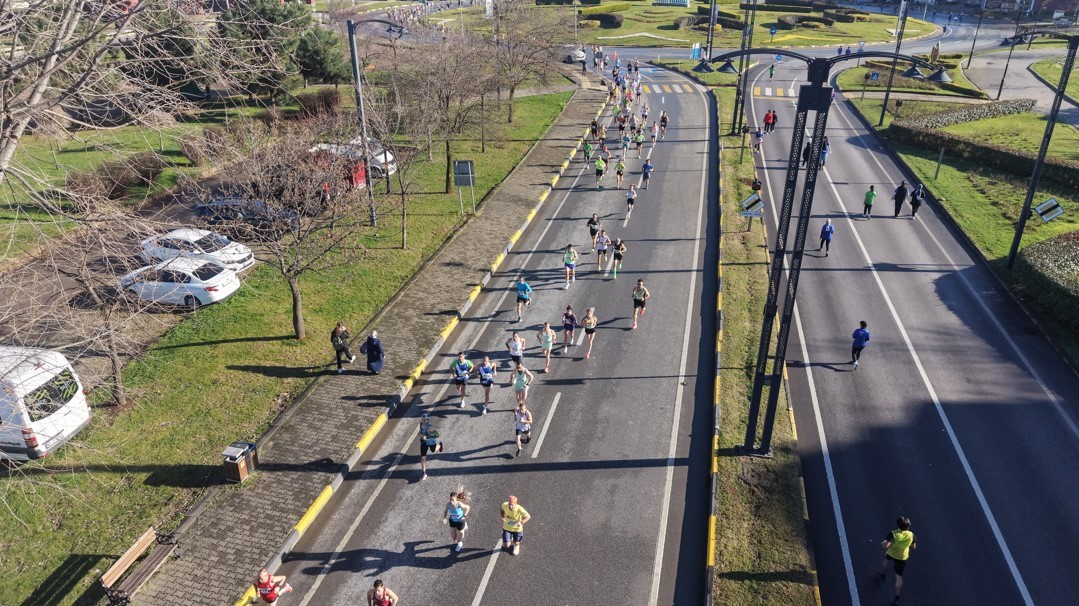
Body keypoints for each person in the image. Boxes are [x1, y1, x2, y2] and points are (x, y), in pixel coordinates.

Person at [877, 516, 916, 605]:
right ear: (908, 526)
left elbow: (885, 546)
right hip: (902, 557)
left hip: (891, 553)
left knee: (886, 560)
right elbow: (913, 547)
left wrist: (884, 543)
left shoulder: (893, 534)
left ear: (898, 525)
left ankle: (883, 574)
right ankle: (897, 597)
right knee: (899, 576)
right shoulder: (911, 535)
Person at [419, 413, 441, 480]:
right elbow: (420, 432)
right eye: (422, 420)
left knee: (433, 451)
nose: (423, 421)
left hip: (431, 443)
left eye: (425, 420)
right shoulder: (421, 424)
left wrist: (427, 436)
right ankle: (424, 473)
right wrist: (420, 435)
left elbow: (437, 435)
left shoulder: (430, 427)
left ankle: (440, 445)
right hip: (423, 443)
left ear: (428, 420)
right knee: (423, 458)